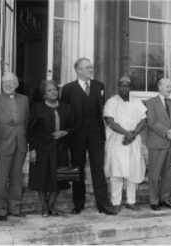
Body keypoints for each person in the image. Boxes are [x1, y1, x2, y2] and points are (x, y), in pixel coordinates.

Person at [60, 57, 116, 215]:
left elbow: (101, 110)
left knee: (98, 168)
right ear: (78, 70)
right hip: (76, 134)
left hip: (96, 133)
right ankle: (77, 204)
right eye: (88, 68)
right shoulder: (68, 89)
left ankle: (103, 205)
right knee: (76, 168)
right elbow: (64, 113)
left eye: (91, 67)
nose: (91, 70)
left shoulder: (99, 86)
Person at [0, 72, 29, 221]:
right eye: (5, 82)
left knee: (17, 178)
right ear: (1, 84)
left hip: (20, 144)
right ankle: (1, 211)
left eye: (11, 82)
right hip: (2, 144)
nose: (8, 84)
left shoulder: (24, 100)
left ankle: (15, 209)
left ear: (16, 84)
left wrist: (27, 142)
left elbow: (27, 122)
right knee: (1, 179)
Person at [28, 80, 76, 217]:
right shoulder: (37, 107)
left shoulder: (67, 107)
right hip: (42, 148)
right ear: (44, 94)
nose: (53, 92)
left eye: (55, 89)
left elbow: (74, 126)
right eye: (49, 90)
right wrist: (32, 149)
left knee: (61, 178)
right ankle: (44, 207)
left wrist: (64, 132)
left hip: (61, 148)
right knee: (41, 178)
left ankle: (51, 206)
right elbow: (31, 130)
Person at [103, 75, 147, 213]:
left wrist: (133, 135)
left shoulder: (137, 103)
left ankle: (131, 201)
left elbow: (143, 121)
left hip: (133, 141)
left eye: (127, 85)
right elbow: (109, 121)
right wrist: (126, 134)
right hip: (117, 141)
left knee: (133, 172)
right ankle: (115, 202)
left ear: (130, 87)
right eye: (122, 85)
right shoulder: (111, 102)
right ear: (118, 86)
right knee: (116, 173)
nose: (124, 88)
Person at [146, 78, 171, 211]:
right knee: (154, 174)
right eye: (167, 86)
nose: (170, 89)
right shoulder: (151, 102)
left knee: (168, 174)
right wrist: (167, 132)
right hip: (157, 143)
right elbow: (151, 122)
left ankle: (165, 199)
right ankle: (153, 201)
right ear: (159, 87)